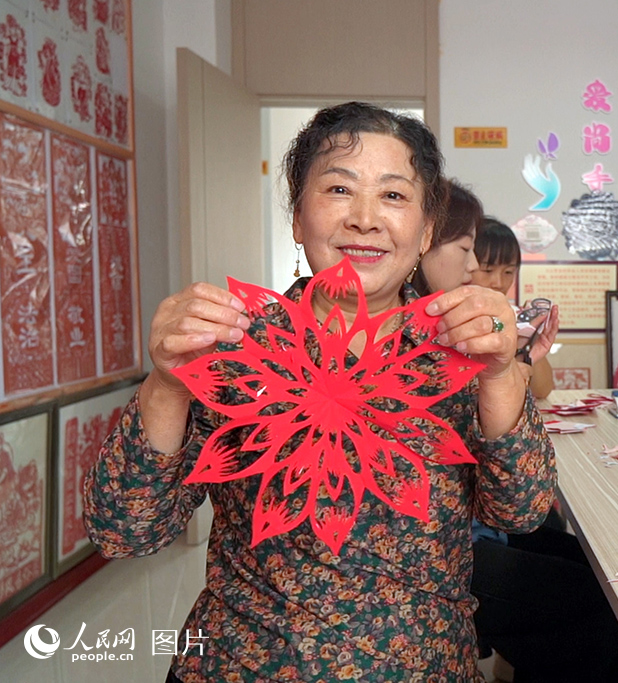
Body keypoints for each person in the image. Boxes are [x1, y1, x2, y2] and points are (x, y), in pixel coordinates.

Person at [84, 102, 556, 683]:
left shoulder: (459, 352)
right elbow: (125, 529)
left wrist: (501, 371)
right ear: (297, 217)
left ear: (427, 228)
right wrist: (166, 382)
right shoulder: (233, 345)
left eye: (393, 195)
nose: (364, 218)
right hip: (246, 665)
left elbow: (522, 510)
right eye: (338, 188)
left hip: (423, 665)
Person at [412, 217, 618, 683]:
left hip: (488, 523)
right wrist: (512, 366)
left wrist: (527, 354)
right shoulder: (446, 331)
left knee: (600, 576)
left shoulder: (489, 324)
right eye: (477, 261)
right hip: (462, 544)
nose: (487, 277)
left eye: (505, 271)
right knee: (598, 607)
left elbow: (540, 389)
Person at [471, 218, 558, 400]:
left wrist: (526, 344)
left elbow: (542, 391)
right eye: (488, 270)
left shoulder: (517, 317)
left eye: (508, 272)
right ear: (466, 264)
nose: (499, 283)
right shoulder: (450, 315)